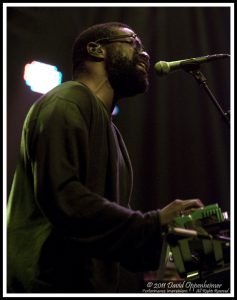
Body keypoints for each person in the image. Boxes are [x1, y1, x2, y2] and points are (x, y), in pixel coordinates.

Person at [7, 22, 203, 293]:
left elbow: (110, 237)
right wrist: (155, 222)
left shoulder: (114, 136)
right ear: (96, 49)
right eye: (133, 42)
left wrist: (187, 250)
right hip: (46, 284)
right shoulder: (67, 99)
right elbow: (65, 198)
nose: (145, 54)